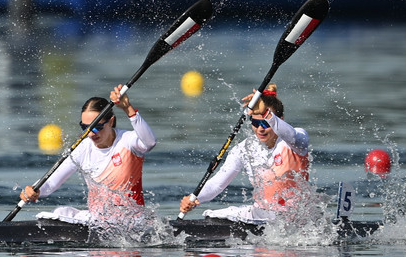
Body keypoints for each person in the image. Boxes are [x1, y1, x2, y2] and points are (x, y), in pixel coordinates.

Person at [18, 84, 158, 222]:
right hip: (98, 220)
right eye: (85, 127)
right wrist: (35, 190)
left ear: (111, 121)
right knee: (60, 212)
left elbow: (150, 142)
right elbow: (52, 181)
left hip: (132, 221)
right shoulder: (82, 148)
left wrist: (128, 108)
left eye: (97, 127)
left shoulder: (127, 141)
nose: (90, 134)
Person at [180, 83, 311, 223]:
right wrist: (194, 198)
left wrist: (268, 114)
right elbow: (217, 184)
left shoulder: (295, 140)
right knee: (211, 216)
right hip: (262, 215)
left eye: (266, 123)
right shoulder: (244, 149)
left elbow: (292, 136)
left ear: (280, 120)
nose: (260, 129)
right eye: (255, 122)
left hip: (296, 218)